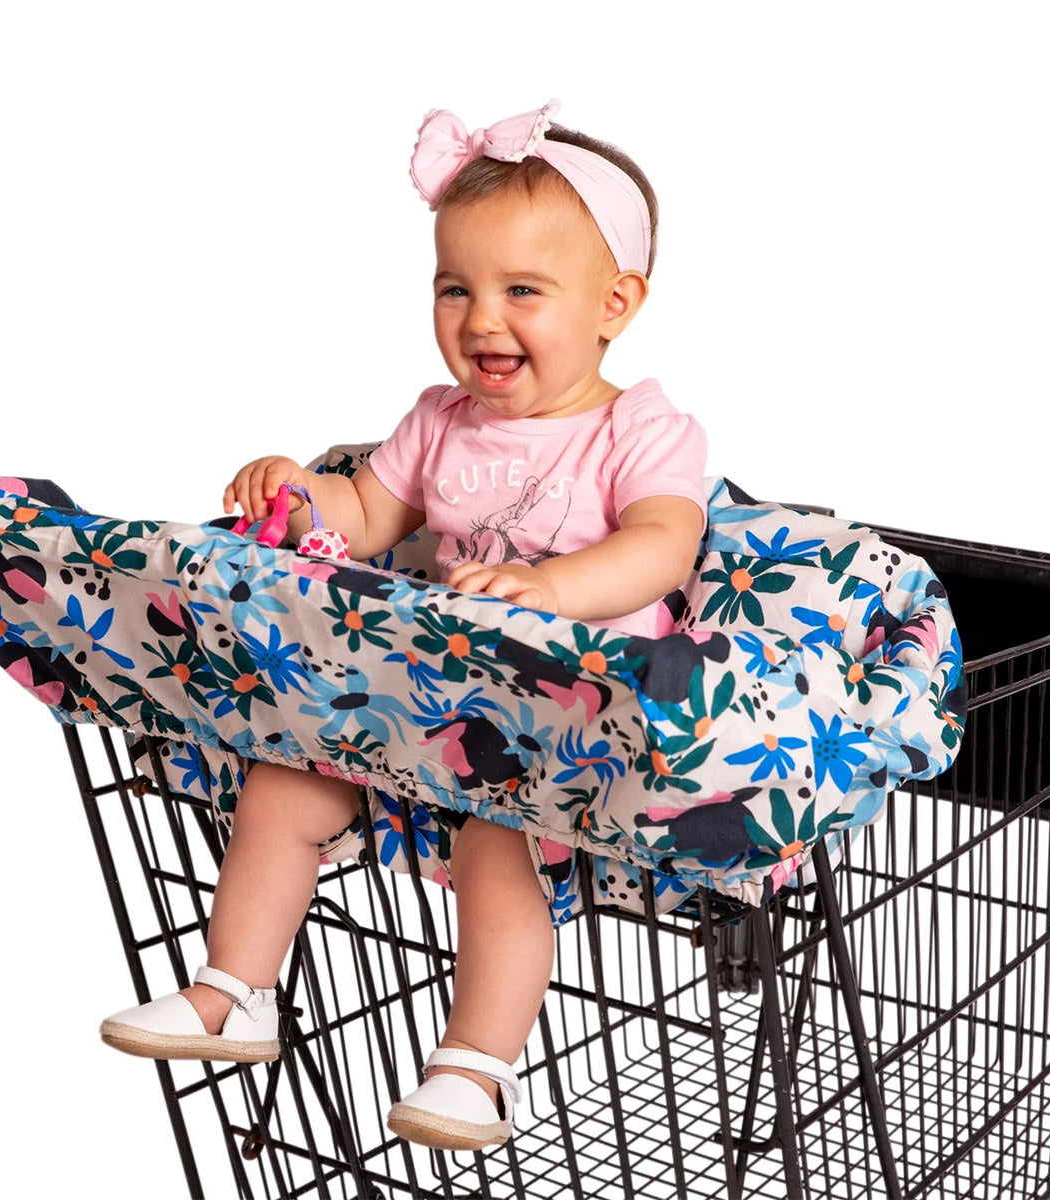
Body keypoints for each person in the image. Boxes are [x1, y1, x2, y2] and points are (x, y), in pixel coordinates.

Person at [99, 98, 708, 1153]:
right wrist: (299, 495)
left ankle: (476, 1067)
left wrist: (555, 588)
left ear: (615, 302)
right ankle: (233, 992)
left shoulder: (639, 429)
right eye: (454, 288)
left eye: (522, 290)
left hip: (567, 733)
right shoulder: (438, 420)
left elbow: (662, 544)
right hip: (426, 709)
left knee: (498, 845)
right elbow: (369, 516)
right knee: (286, 781)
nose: (481, 320)